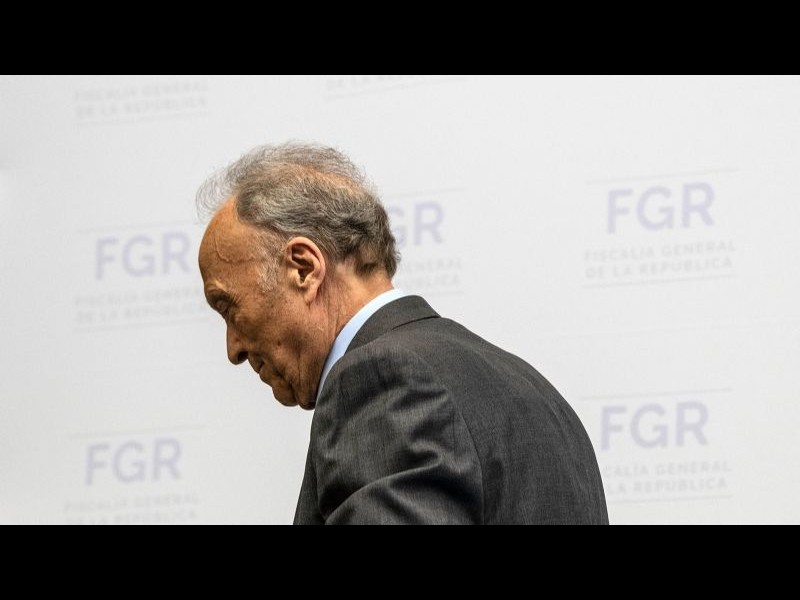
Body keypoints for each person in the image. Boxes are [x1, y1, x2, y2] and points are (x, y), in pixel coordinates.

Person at [196, 142, 608, 525]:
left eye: (228, 307)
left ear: (303, 268)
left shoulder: (381, 381)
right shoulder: (538, 394)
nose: (233, 349)